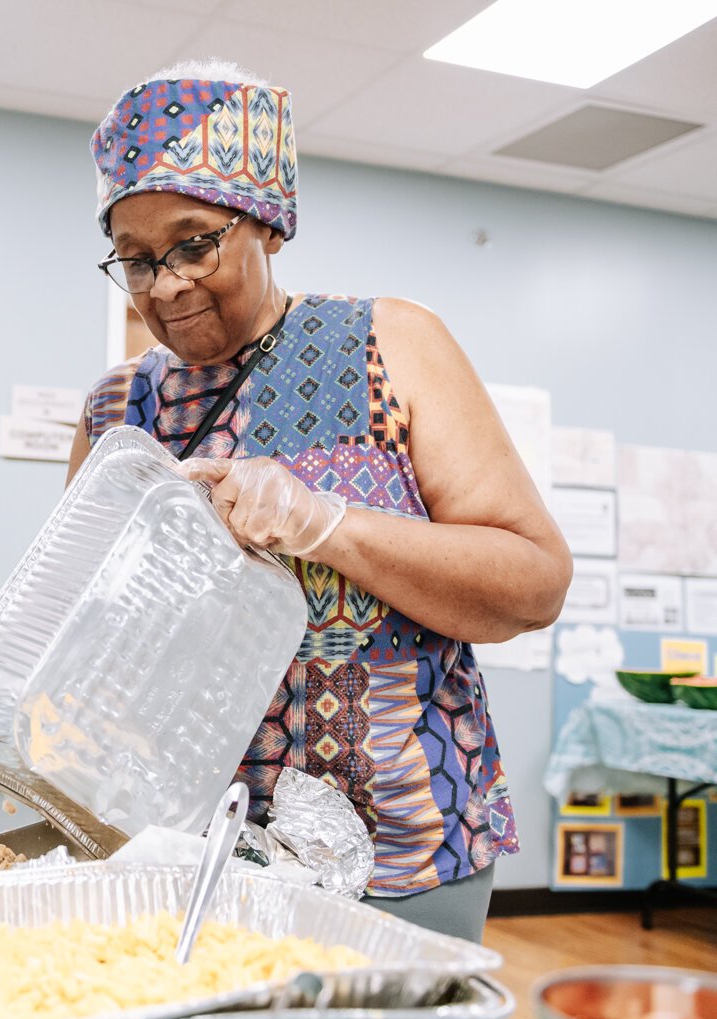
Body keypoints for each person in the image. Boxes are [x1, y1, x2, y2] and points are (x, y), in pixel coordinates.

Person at [71, 61, 571, 943]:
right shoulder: (118, 411)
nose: (167, 286)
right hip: (179, 851)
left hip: (400, 857)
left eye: (195, 243)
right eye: (139, 260)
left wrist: (326, 524)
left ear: (267, 223)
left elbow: (532, 585)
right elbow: (79, 631)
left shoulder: (388, 343)